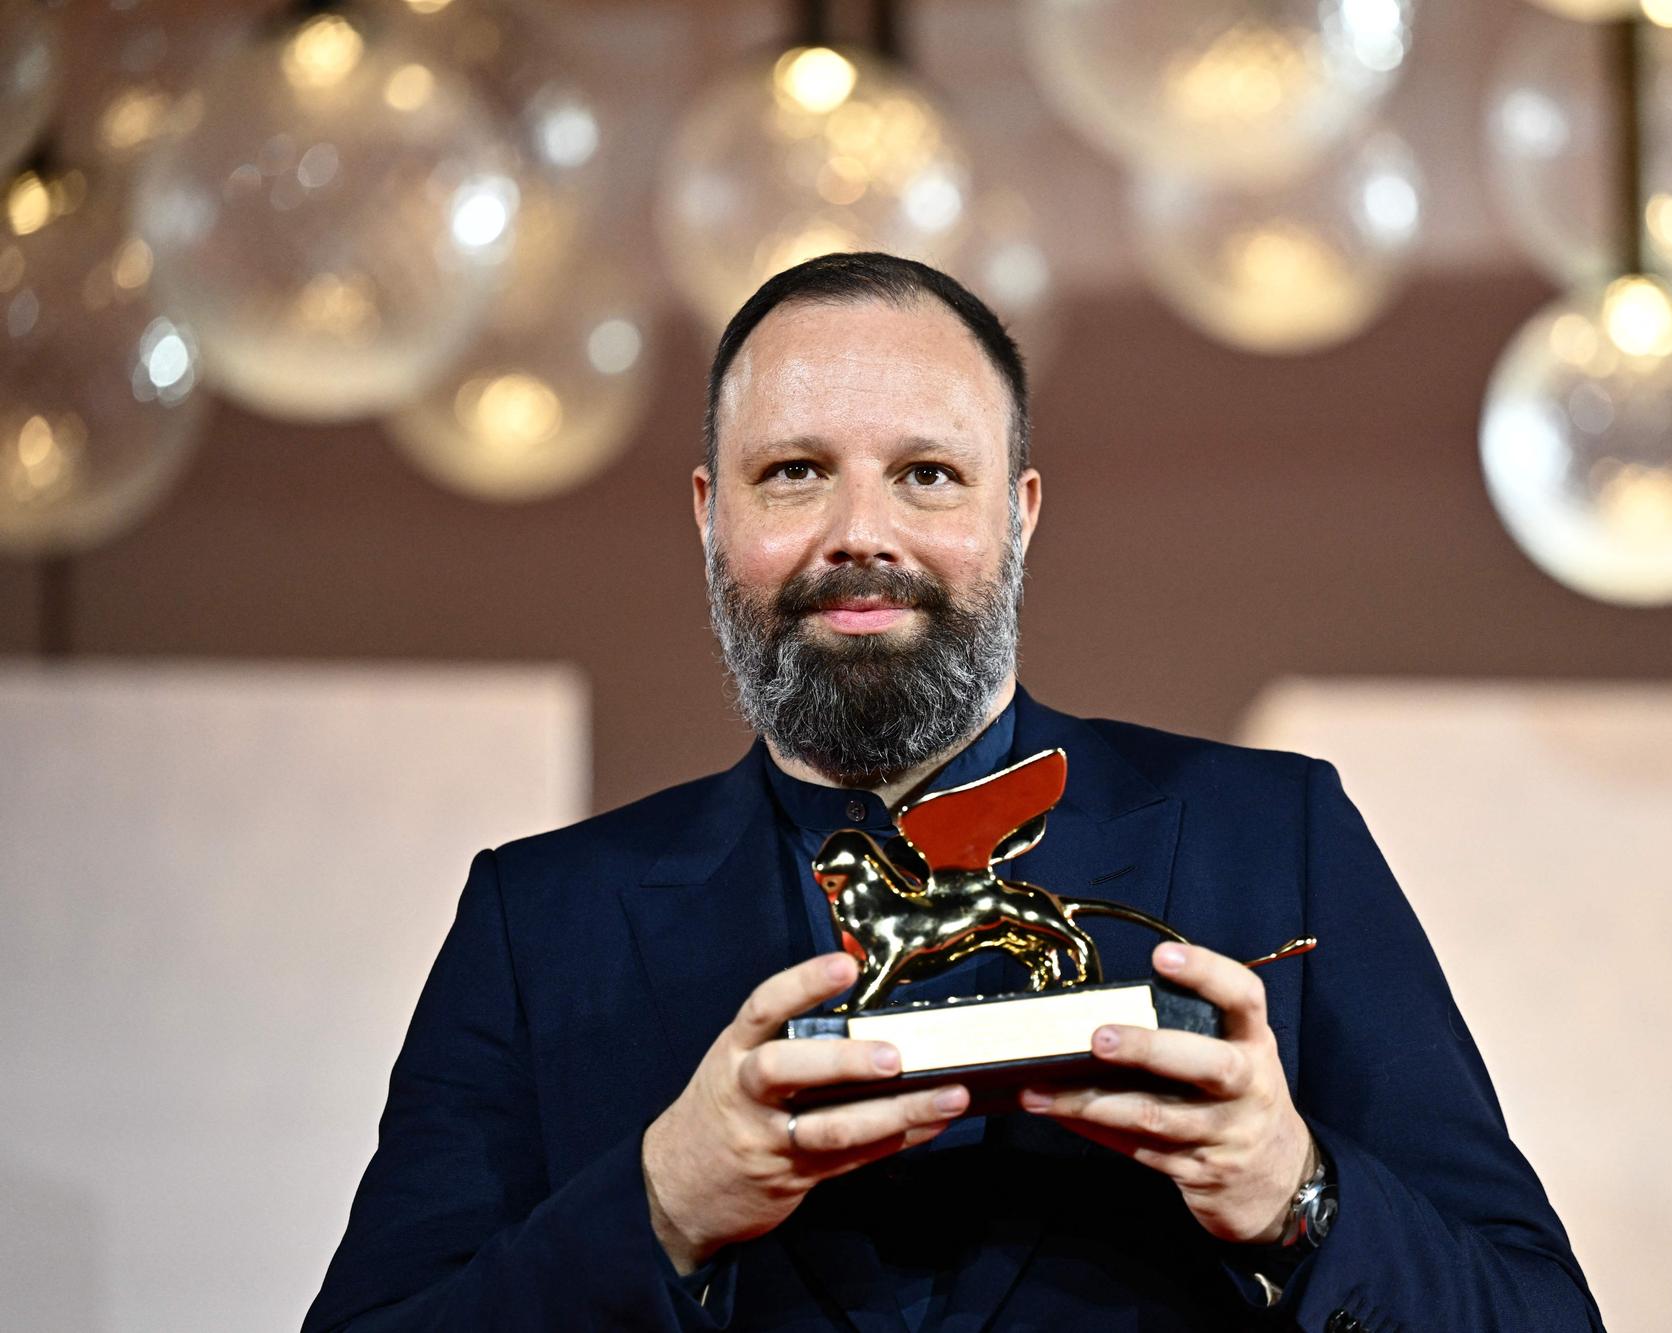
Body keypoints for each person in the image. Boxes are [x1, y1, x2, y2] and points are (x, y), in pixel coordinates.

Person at [305, 253, 1602, 1333]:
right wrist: (661, 1201)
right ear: (709, 516)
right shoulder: (541, 921)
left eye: (927, 473)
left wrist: (1297, 1195)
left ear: (1020, 514)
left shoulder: (1276, 839)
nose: (860, 530)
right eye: (794, 471)